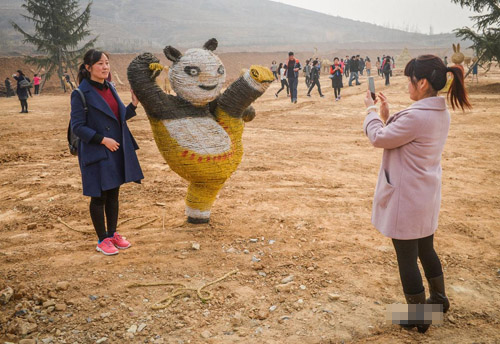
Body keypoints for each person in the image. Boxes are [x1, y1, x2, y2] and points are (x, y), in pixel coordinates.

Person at [363, 54, 471, 333]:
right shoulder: (438, 112)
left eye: (411, 81)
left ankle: (420, 316)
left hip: (406, 199)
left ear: (422, 83)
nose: (408, 86)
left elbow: (379, 138)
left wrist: (371, 113)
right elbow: (403, 135)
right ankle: (438, 300)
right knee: (426, 248)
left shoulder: (416, 116)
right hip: (424, 196)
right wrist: (388, 117)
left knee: (406, 257)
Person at [71, 49, 144, 256]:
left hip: (114, 149)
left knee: (113, 193)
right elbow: (78, 127)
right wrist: (102, 140)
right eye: (100, 64)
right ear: (88, 67)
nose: (105, 67)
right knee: (99, 196)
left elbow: (118, 118)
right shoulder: (80, 94)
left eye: (107, 63)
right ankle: (102, 239)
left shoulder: (110, 88)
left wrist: (134, 104)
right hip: (96, 150)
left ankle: (112, 234)